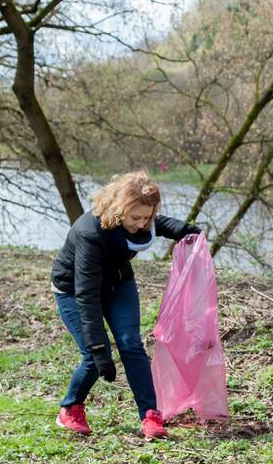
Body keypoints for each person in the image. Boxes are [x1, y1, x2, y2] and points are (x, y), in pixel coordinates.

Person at [50, 171, 201, 439]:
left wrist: (182, 230)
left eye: (147, 217)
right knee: (94, 357)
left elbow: (158, 225)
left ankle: (151, 417)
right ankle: (70, 408)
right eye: (135, 218)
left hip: (118, 285)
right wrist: (99, 348)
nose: (141, 223)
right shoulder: (90, 233)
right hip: (75, 292)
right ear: (119, 208)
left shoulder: (144, 221)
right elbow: (86, 296)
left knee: (131, 343)